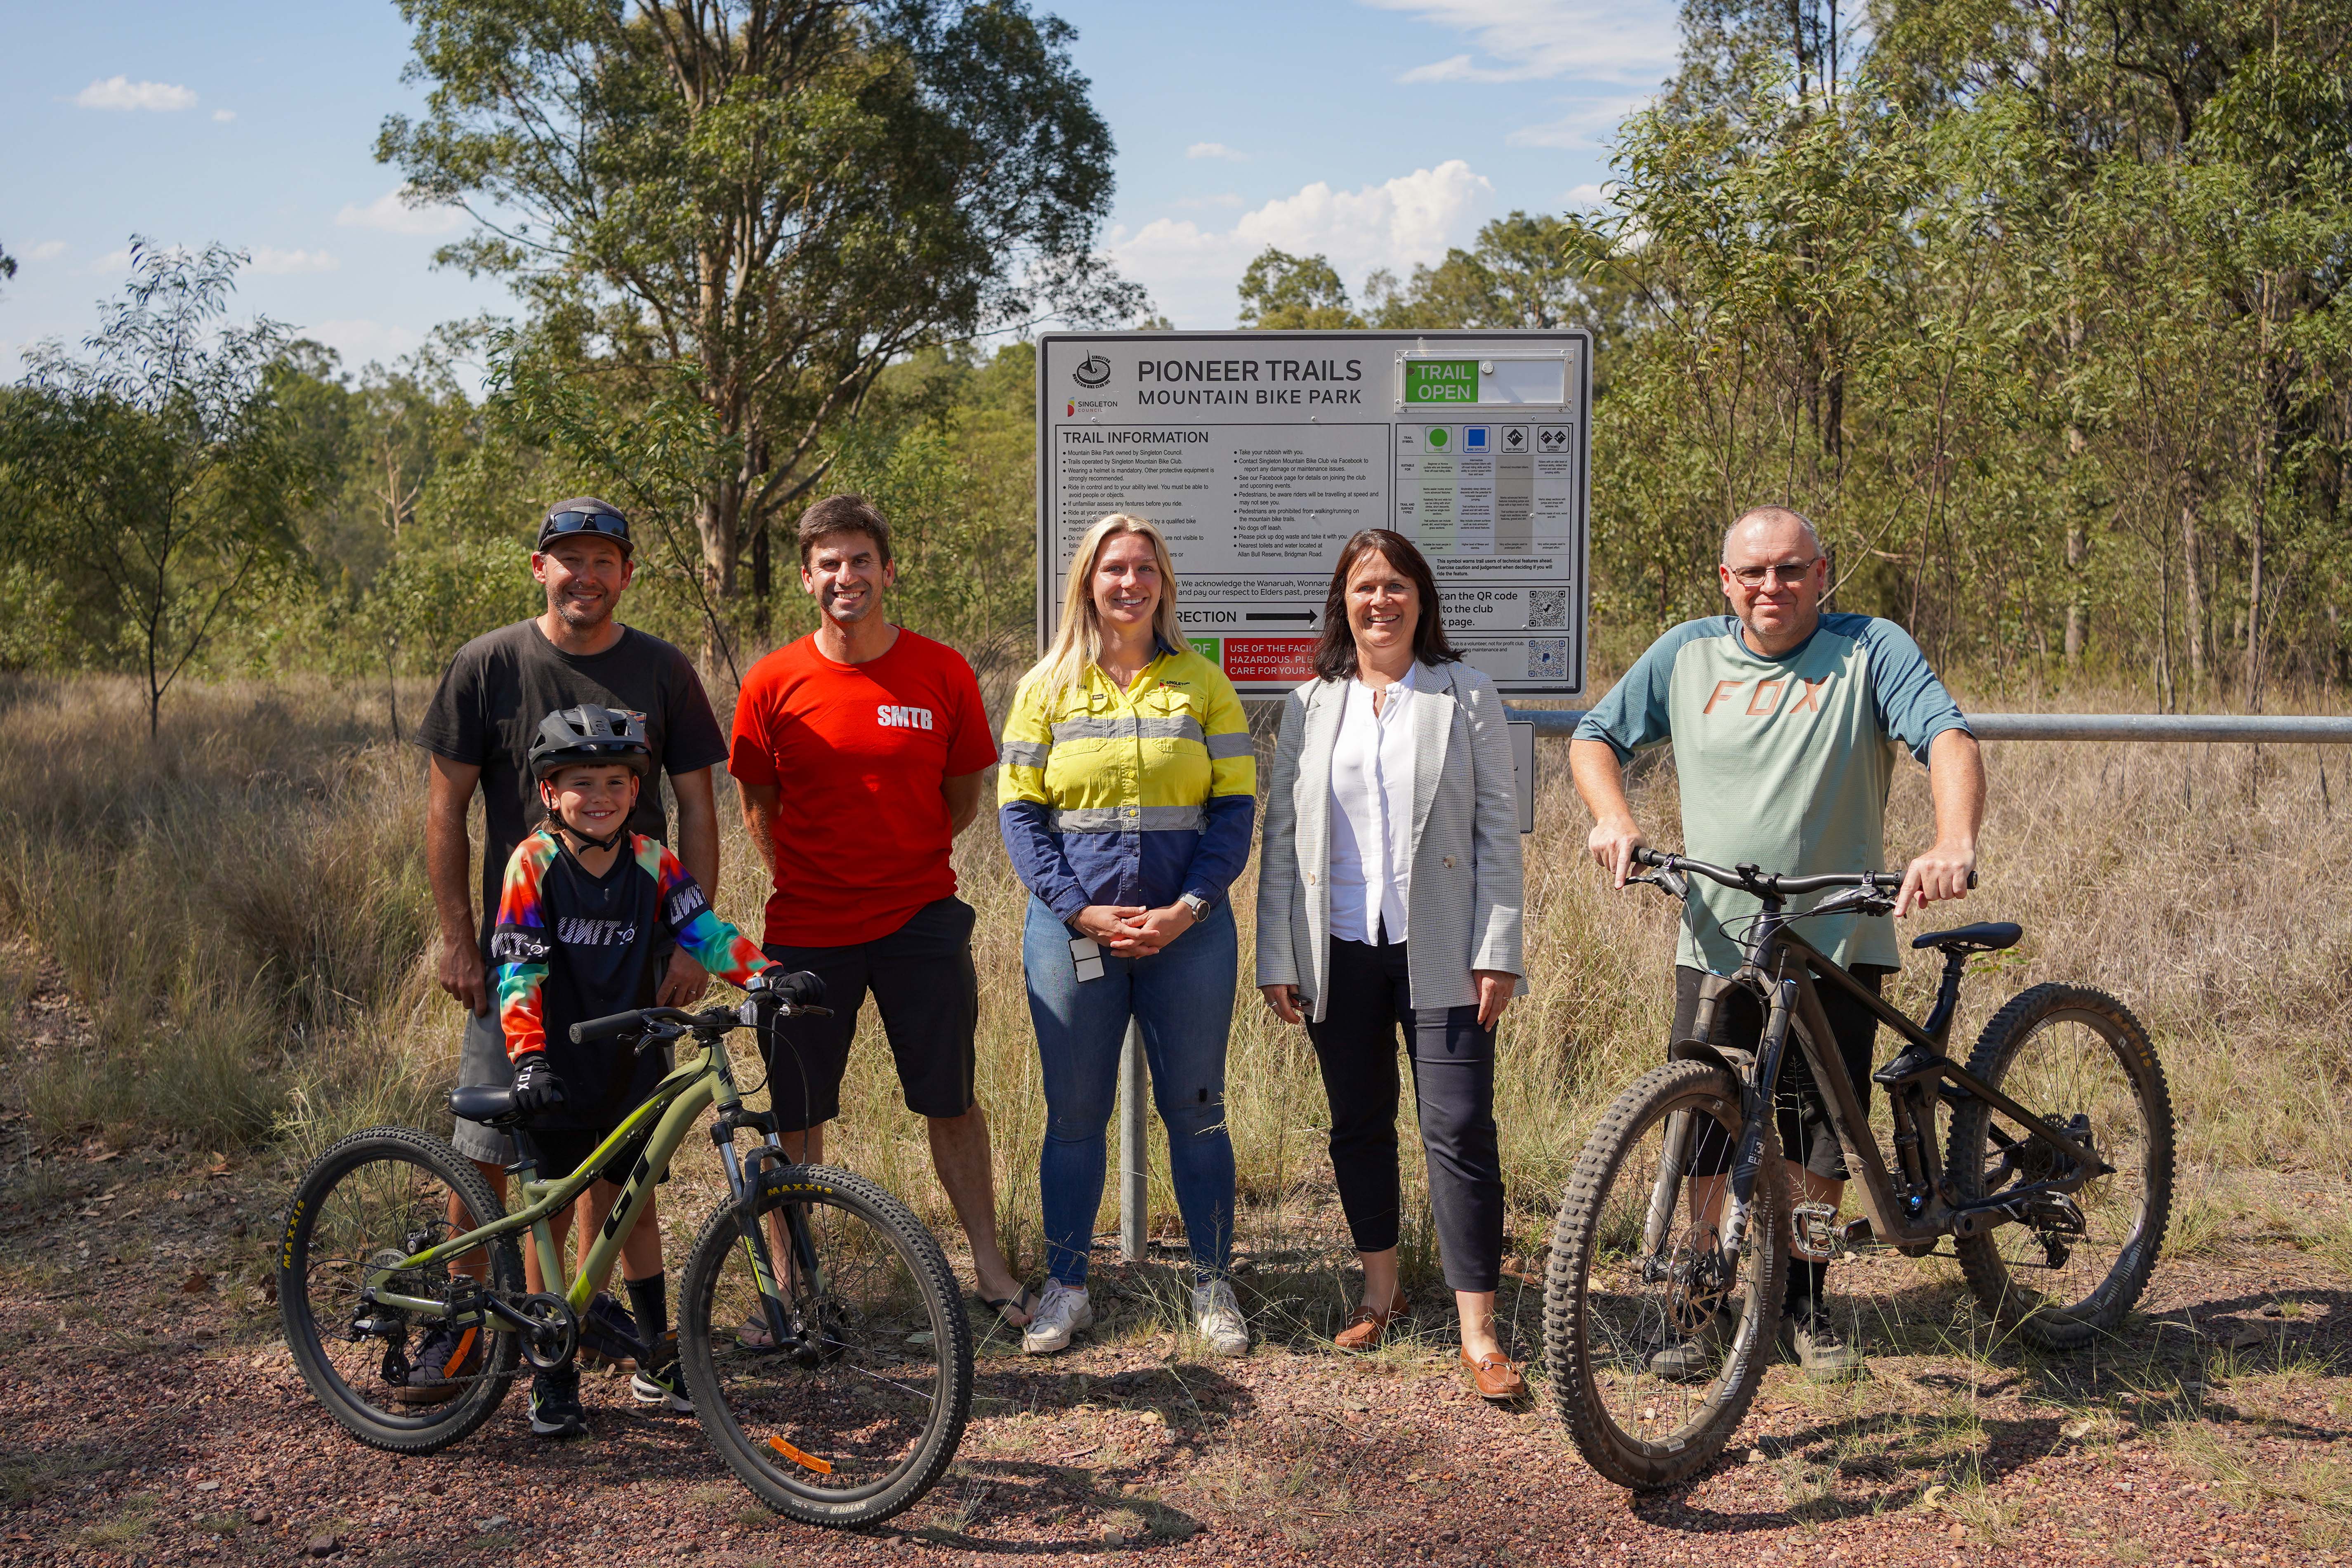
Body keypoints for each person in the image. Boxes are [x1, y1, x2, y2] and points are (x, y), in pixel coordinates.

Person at [1570, 504, 1984, 1379]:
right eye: (1752, 572)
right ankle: (1699, 1298)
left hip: (1837, 930)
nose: (1772, 586)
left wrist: (1952, 840)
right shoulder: (1686, 653)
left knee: (1820, 1137)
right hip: (1718, 933)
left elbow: (1946, 736)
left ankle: (1805, 1297)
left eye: (1790, 569)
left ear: (1821, 571)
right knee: (1707, 1123)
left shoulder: (1869, 647)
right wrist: (1614, 818)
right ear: (1725, 581)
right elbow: (1595, 736)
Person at [411, 497, 729, 1405]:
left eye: (603, 559)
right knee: (487, 1150)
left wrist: (696, 940)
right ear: (538, 566)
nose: (583, 574)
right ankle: (459, 1325)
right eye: (567, 558)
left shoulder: (663, 667)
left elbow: (700, 807)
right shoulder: (487, 664)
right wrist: (457, 939)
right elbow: (446, 809)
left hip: (635, 949)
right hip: (521, 954)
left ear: (626, 572)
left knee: (619, 1148)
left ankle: (585, 1319)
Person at [726, 495, 1034, 1330]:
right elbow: (759, 802)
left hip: (920, 918)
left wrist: (898, 861)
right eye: (828, 562)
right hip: (807, 925)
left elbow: (962, 795)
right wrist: (813, 878)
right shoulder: (771, 679)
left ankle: (992, 1270)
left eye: (861, 559)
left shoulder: (941, 670)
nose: (846, 576)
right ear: (806, 578)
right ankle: (795, 1288)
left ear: (888, 569)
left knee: (952, 1098)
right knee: (796, 1111)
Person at [1255, 530, 1528, 1402]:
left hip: (1443, 949)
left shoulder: (1465, 694)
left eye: (1396, 586)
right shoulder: (1307, 704)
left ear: (1422, 598)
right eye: (1364, 586)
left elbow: (1496, 831)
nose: (1380, 601)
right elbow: (1280, 837)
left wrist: (1499, 948)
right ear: (1342, 600)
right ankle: (1380, 1288)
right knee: (1358, 1122)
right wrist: (1276, 953)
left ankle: (1478, 1328)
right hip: (1338, 949)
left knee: (1457, 1127)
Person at [998, 513, 1256, 1358]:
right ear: (1087, 581)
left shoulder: (1203, 684)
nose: (1129, 583)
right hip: (1074, 934)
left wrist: (1188, 906)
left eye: (1144, 568)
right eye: (1113, 568)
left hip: (1188, 931)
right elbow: (1022, 817)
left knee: (1198, 1112)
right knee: (1075, 1115)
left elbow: (1232, 813)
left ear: (1163, 584)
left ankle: (1213, 1283)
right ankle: (1067, 1285)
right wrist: (1077, 907)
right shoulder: (1044, 686)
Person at [489, 705, 781, 1438]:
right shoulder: (532, 862)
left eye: (616, 781)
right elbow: (518, 971)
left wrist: (768, 976)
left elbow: (704, 931)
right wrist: (526, 1058)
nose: (601, 796)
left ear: (634, 787)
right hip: (551, 1065)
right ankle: (549, 1369)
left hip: (630, 1061)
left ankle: (656, 1359)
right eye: (580, 783)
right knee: (550, 1217)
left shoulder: (651, 858)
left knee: (636, 1211)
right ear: (550, 792)